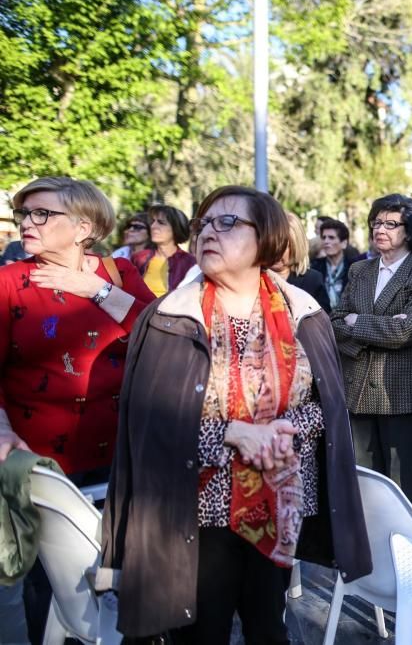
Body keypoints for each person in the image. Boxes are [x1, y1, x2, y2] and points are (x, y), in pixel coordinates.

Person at [99, 185, 372, 641]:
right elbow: (150, 425)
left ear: (265, 237)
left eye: (227, 222)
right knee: (202, 630)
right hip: (198, 514)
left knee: (269, 626)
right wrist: (232, 434)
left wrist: (283, 432)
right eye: (203, 223)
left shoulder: (304, 312)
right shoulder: (171, 316)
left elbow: (324, 408)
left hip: (280, 504)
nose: (208, 231)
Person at [0, 176, 155, 644]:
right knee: (46, 583)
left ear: (84, 226)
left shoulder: (118, 274)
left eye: (42, 213)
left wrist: (92, 290)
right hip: (38, 461)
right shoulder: (9, 280)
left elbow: (158, 330)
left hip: (119, 458)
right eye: (25, 213)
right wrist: (2, 433)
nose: (28, 222)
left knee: (116, 575)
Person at [330, 194, 412, 508]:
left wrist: (358, 322)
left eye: (391, 224)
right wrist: (378, 326)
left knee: (400, 493)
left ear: (410, 231)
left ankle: (405, 555)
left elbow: (406, 332)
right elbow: (335, 322)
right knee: (362, 488)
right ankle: (366, 555)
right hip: (358, 392)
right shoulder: (359, 271)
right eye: (377, 222)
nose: (380, 229)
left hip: (401, 396)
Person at [131, 204, 197, 296]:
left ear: (176, 228)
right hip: (141, 309)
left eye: (161, 223)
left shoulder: (190, 263)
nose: (153, 226)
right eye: (153, 222)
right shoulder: (139, 258)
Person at [271, 211, 331, 312]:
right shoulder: (253, 277)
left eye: (284, 246)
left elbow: (324, 323)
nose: (276, 251)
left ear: (296, 246)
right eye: (272, 244)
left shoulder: (312, 280)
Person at [310, 218, 352, 309]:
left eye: (331, 238)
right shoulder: (314, 267)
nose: (326, 241)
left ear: (344, 243)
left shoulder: (355, 268)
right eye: (324, 237)